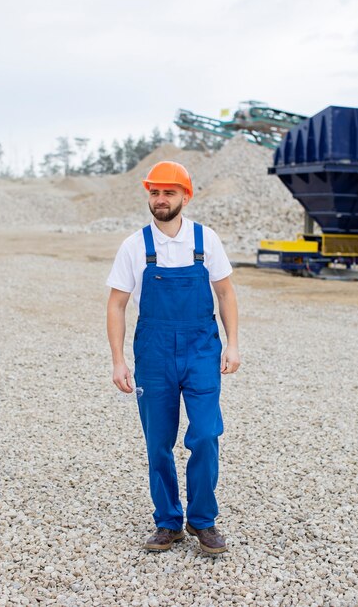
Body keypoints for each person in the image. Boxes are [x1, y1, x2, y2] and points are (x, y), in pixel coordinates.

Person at [106, 161, 240, 554]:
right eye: (154, 192)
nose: (160, 199)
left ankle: (203, 521)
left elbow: (226, 293)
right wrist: (118, 360)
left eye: (168, 193)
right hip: (155, 354)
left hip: (201, 351)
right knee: (158, 442)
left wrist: (233, 344)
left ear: (185, 196)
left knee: (205, 433)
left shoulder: (206, 240)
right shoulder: (135, 245)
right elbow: (116, 305)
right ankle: (168, 523)